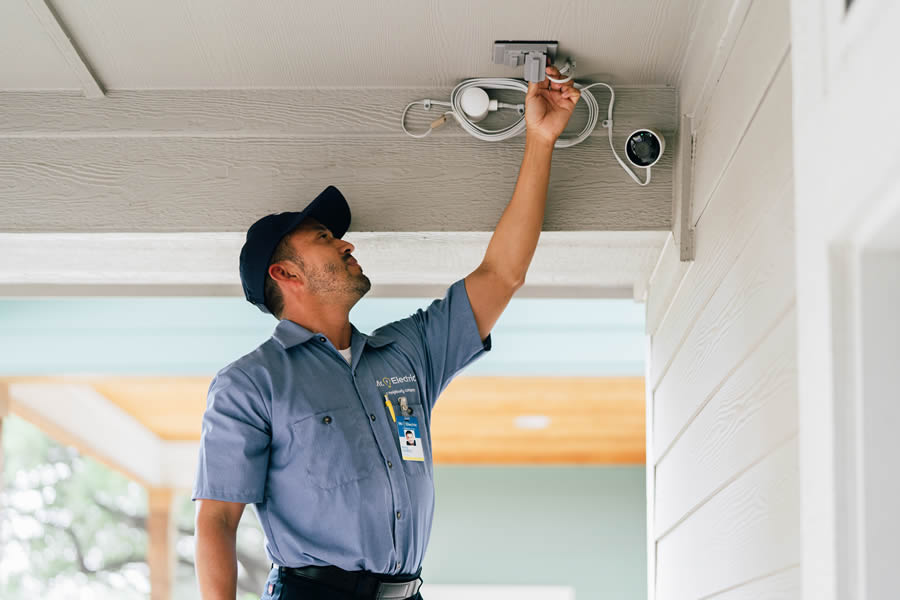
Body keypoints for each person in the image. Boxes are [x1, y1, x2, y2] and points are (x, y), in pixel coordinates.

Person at [192, 64, 581, 600]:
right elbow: (217, 521)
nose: (347, 246)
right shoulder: (250, 385)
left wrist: (540, 140)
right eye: (326, 238)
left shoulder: (409, 353)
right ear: (285, 274)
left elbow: (501, 275)